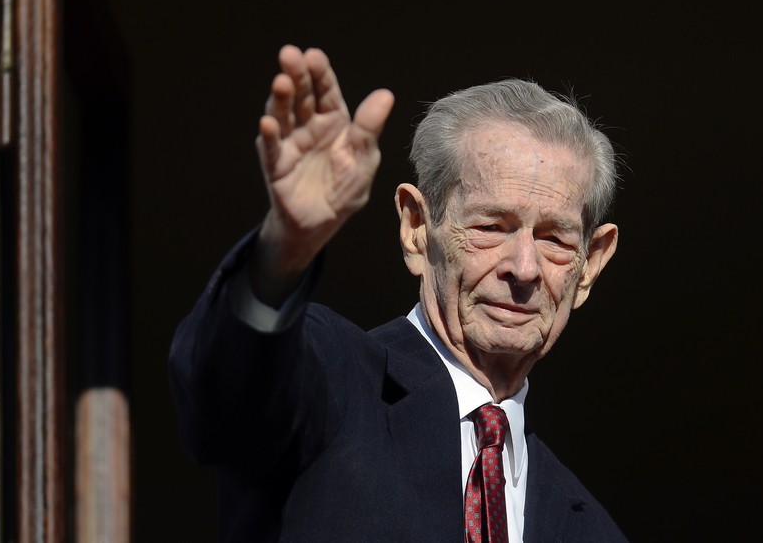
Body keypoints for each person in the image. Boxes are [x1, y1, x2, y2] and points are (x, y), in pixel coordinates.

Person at [169, 44, 628, 542]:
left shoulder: (591, 527)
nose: (523, 268)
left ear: (589, 265)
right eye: (491, 226)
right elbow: (225, 396)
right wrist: (285, 246)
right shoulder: (329, 384)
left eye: (553, 239)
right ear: (416, 229)